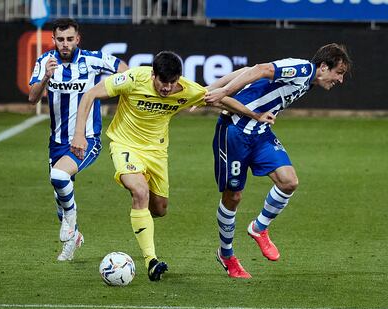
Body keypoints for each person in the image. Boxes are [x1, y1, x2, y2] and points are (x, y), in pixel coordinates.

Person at [70, 51, 275, 281]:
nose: (167, 88)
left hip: (157, 152)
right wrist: (79, 133)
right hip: (124, 144)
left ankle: (140, 215)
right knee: (140, 191)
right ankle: (151, 261)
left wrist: (255, 115)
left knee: (159, 209)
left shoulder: (186, 89)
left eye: (172, 82)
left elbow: (219, 100)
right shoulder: (133, 79)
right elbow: (90, 95)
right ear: (153, 74)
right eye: (162, 82)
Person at [205, 43, 352, 278]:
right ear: (323, 67)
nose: (340, 80)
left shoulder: (308, 81)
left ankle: (258, 228)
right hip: (233, 131)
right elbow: (261, 69)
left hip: (260, 131)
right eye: (339, 73)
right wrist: (221, 92)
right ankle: (227, 254)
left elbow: (249, 69)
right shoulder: (302, 69)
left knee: (288, 181)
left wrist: (212, 88)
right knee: (233, 196)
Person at [28, 18, 128, 261]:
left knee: (59, 177)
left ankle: (72, 222)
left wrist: (109, 88)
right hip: (57, 142)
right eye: (60, 40)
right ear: (53, 40)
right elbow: (33, 98)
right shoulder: (45, 62)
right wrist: (45, 79)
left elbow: (124, 68)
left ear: (77, 39)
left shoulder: (92, 59)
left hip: (87, 139)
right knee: (60, 198)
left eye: (69, 39)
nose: (65, 44)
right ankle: (74, 238)